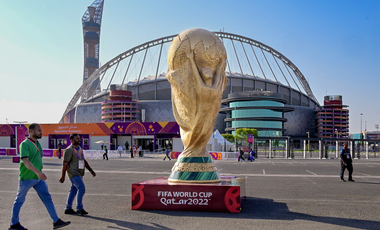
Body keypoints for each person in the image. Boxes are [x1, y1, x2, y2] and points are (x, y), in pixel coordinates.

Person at [9, 123, 70, 230]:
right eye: (39, 130)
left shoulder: (38, 143)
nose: (41, 132)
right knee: (19, 200)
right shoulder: (25, 144)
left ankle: (56, 221)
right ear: (31, 131)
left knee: (47, 198)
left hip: (38, 179)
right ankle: (14, 224)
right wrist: (38, 172)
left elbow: (38, 157)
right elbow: (26, 161)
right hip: (27, 178)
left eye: (41, 130)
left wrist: (38, 173)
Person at [59, 133, 96, 216]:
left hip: (79, 173)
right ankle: (79, 208)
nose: (79, 140)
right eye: (77, 138)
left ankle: (68, 208)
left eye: (79, 138)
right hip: (73, 173)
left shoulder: (79, 149)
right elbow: (65, 164)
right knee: (81, 188)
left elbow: (84, 160)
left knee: (73, 190)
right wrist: (63, 176)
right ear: (72, 140)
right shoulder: (69, 150)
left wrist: (91, 170)